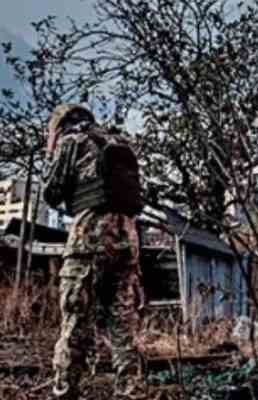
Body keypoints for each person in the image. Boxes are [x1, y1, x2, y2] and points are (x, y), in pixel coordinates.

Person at [43, 104, 146, 399]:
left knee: (75, 323)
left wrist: (51, 151)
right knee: (124, 327)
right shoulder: (117, 142)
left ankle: (65, 393)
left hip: (89, 239)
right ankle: (131, 392)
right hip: (127, 240)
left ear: (60, 125)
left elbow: (52, 192)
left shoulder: (71, 142)